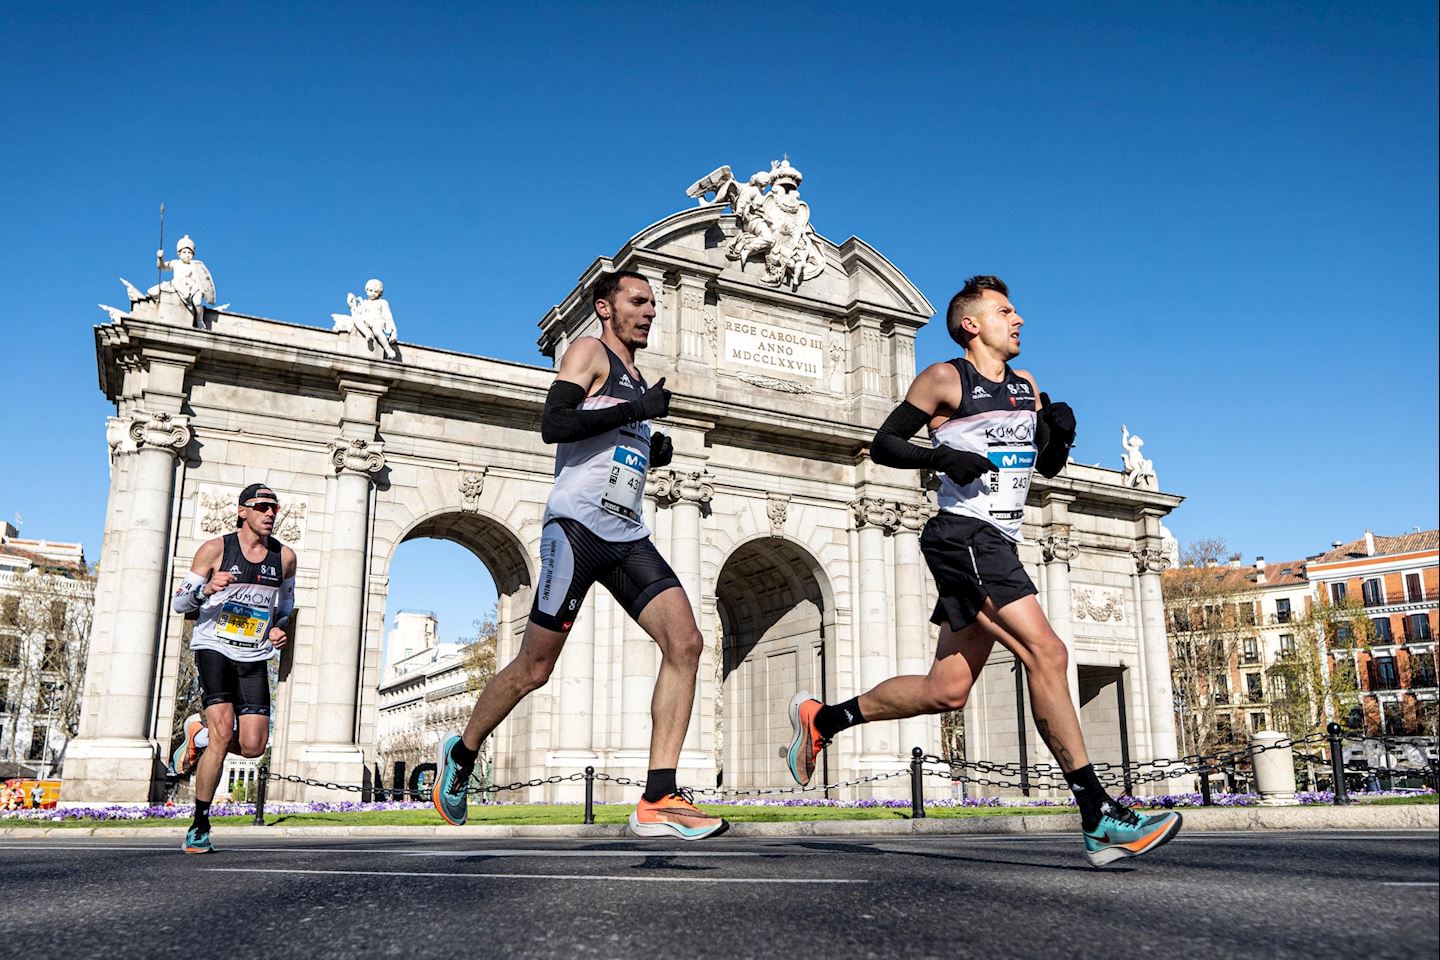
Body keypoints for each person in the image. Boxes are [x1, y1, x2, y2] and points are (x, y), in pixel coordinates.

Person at [785, 276, 1182, 867]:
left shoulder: (1027, 386)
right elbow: (886, 442)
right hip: (963, 536)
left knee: (945, 692)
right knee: (1046, 654)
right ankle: (1098, 815)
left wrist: (1059, 435)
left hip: (1001, 541)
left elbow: (1042, 466)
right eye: (1005, 311)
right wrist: (942, 454)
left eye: (1016, 310)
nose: (1018, 320)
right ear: (972, 324)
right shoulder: (946, 378)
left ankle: (826, 718)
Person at [434, 270, 726, 840]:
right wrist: (635, 410)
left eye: (653, 304)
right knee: (534, 669)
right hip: (575, 531)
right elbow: (556, 423)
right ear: (604, 307)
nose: (648, 312)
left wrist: (652, 447)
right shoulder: (589, 352)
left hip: (626, 535)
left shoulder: (636, 378)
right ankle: (463, 752)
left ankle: (659, 794)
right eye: (636, 302)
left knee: (685, 642)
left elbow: (610, 449)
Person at [170, 483, 296, 853]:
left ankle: (198, 736)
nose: (270, 513)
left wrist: (278, 627)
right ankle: (199, 824)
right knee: (225, 734)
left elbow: (286, 607)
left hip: (254, 655)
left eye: (274, 508)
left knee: (255, 746)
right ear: (242, 511)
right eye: (262, 507)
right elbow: (180, 604)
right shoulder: (215, 549)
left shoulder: (285, 558)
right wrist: (206, 589)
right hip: (215, 649)